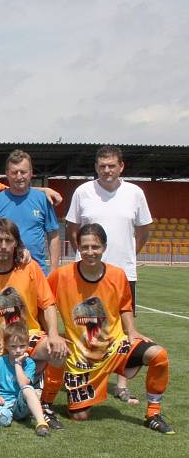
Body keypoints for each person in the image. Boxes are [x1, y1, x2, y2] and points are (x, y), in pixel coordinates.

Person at [45, 223, 173, 434]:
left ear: (104, 247)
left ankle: (153, 414)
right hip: (81, 357)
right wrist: (50, 333)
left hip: (115, 346)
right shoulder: (62, 275)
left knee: (158, 355)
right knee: (79, 417)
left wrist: (131, 331)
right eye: (85, 247)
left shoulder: (117, 275)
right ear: (78, 247)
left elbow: (124, 307)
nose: (90, 252)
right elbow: (45, 303)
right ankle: (49, 402)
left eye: (95, 247)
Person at [0, 218, 68, 429]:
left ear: (16, 244)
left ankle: (45, 404)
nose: (2, 246)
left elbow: (48, 304)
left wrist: (54, 334)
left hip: (28, 338)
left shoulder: (30, 268)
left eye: (8, 241)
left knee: (58, 349)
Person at [65, 145, 152, 403]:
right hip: (87, 272)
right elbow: (73, 229)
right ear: (96, 167)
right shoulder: (83, 192)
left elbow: (144, 230)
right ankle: (87, 373)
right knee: (88, 323)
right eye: (102, 166)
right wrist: (85, 256)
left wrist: (129, 255)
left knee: (125, 328)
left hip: (123, 272)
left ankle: (121, 383)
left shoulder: (135, 193)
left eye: (111, 165)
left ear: (121, 166)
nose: (107, 171)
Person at [0, 149, 60, 274]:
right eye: (14, 172)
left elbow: (54, 236)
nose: (19, 176)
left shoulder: (43, 200)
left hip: (36, 272)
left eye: (23, 172)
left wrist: (53, 271)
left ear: (31, 173)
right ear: (7, 174)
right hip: (3, 272)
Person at [0, 321, 50, 436]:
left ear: (27, 344)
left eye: (22, 346)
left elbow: (23, 383)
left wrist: (18, 364)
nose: (18, 350)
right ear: (6, 345)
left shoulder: (29, 363)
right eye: (13, 346)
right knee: (2, 420)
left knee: (28, 389)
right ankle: (6, 414)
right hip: (4, 401)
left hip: (21, 403)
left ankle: (41, 422)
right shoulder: (0, 362)